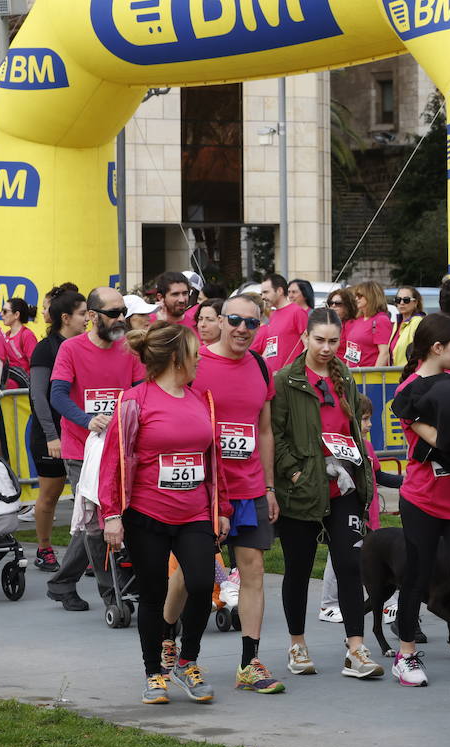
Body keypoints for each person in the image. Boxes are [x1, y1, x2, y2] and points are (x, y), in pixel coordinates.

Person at [100, 322, 226, 705]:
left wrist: (221, 509)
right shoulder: (135, 400)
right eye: (194, 352)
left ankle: (187, 662)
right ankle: (154, 672)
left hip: (195, 514)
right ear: (176, 358)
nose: (200, 358)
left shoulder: (202, 399)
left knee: (203, 584)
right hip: (147, 515)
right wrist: (111, 514)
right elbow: (114, 461)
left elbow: (213, 460)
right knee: (153, 593)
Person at [179, 294, 284, 694]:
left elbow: (265, 431)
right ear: (220, 321)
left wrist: (270, 486)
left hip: (250, 486)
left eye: (251, 323)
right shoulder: (197, 364)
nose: (243, 329)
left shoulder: (260, 366)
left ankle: (249, 662)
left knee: (253, 571)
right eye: (236, 320)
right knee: (192, 576)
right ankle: (171, 649)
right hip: (204, 486)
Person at [272, 308, 380, 680]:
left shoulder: (344, 376)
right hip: (302, 487)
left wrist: (355, 463)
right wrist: (297, 470)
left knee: (350, 566)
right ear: (304, 338)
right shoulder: (285, 379)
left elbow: (351, 429)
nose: (327, 348)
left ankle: (355, 648)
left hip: (343, 484)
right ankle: (297, 645)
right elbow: (278, 435)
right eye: (319, 340)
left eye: (334, 341)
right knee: (298, 569)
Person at [389, 313, 450, 687]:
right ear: (437, 348)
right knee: (417, 576)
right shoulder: (407, 391)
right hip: (423, 498)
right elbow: (443, 440)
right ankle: (406, 653)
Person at [46, 286, 141, 612]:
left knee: (93, 521)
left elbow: (141, 390)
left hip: (122, 448)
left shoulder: (129, 350)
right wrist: (87, 420)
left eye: (123, 313)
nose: (120, 320)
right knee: (98, 523)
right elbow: (57, 396)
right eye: (113, 314)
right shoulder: (71, 349)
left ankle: (60, 582)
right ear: (92, 316)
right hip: (81, 449)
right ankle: (111, 595)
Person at [27, 289, 88, 573]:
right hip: (50, 434)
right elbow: (39, 396)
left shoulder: (87, 346)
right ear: (65, 318)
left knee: (86, 496)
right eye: (82, 314)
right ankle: (44, 548)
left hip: (81, 433)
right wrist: (52, 436)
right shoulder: (46, 347)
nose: (88, 319)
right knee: (50, 495)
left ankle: (90, 552)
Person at [255, 273, 309, 371]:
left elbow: (308, 345)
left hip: (290, 377)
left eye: (266, 292)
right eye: (261, 293)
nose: (262, 297)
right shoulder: (273, 315)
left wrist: (294, 370)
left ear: (279, 291)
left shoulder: (297, 312)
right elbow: (270, 346)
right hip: (273, 377)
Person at [342, 281, 393, 368]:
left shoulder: (381, 319)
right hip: (354, 374)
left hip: (370, 376)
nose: (356, 299)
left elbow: (384, 353)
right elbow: (351, 352)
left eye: (360, 296)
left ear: (371, 297)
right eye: (356, 296)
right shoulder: (358, 320)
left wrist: (374, 376)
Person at [0, 298, 38, 378]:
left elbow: (35, 367)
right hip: (7, 384)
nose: (1, 314)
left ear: (16, 315)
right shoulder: (6, 335)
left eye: (5, 311)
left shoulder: (27, 335)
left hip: (23, 387)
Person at [389, 285, 425, 366]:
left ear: (415, 302)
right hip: (396, 374)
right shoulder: (397, 323)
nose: (401, 303)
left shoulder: (417, 321)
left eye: (406, 300)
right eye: (398, 300)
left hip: (410, 373)